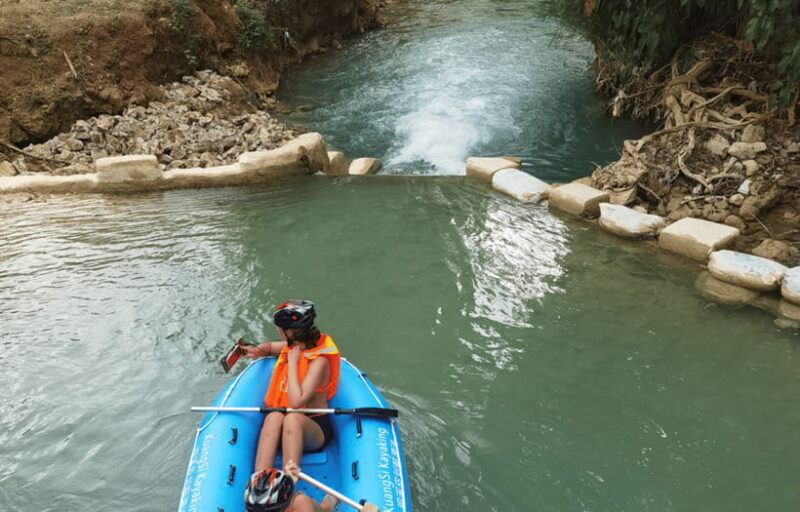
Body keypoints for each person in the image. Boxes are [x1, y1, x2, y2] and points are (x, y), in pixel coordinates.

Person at [242, 300, 341, 474]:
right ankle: (259, 478)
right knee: (273, 416)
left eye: (280, 328)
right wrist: (258, 350)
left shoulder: (319, 362)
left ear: (288, 332)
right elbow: (272, 347)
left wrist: (293, 364)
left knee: (292, 417)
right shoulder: (291, 346)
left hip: (312, 429)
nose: (278, 331)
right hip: (284, 424)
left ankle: (289, 480)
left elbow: (296, 402)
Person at [244, 460, 379, 512]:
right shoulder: (300, 501)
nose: (297, 493)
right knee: (302, 502)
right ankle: (326, 508)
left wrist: (289, 479)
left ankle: (326, 507)